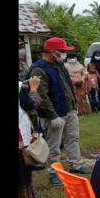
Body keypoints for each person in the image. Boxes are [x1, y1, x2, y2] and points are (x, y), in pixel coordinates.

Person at [29, 37, 89, 185]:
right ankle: (53, 172)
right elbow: (40, 95)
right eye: (61, 51)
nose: (63, 54)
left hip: (69, 109)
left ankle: (76, 165)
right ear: (52, 52)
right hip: (54, 114)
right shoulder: (39, 69)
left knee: (73, 139)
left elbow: (65, 83)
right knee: (53, 145)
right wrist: (53, 116)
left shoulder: (59, 64)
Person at [18, 76, 42, 198]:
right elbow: (32, 104)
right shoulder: (20, 86)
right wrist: (33, 89)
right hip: (20, 134)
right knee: (22, 168)